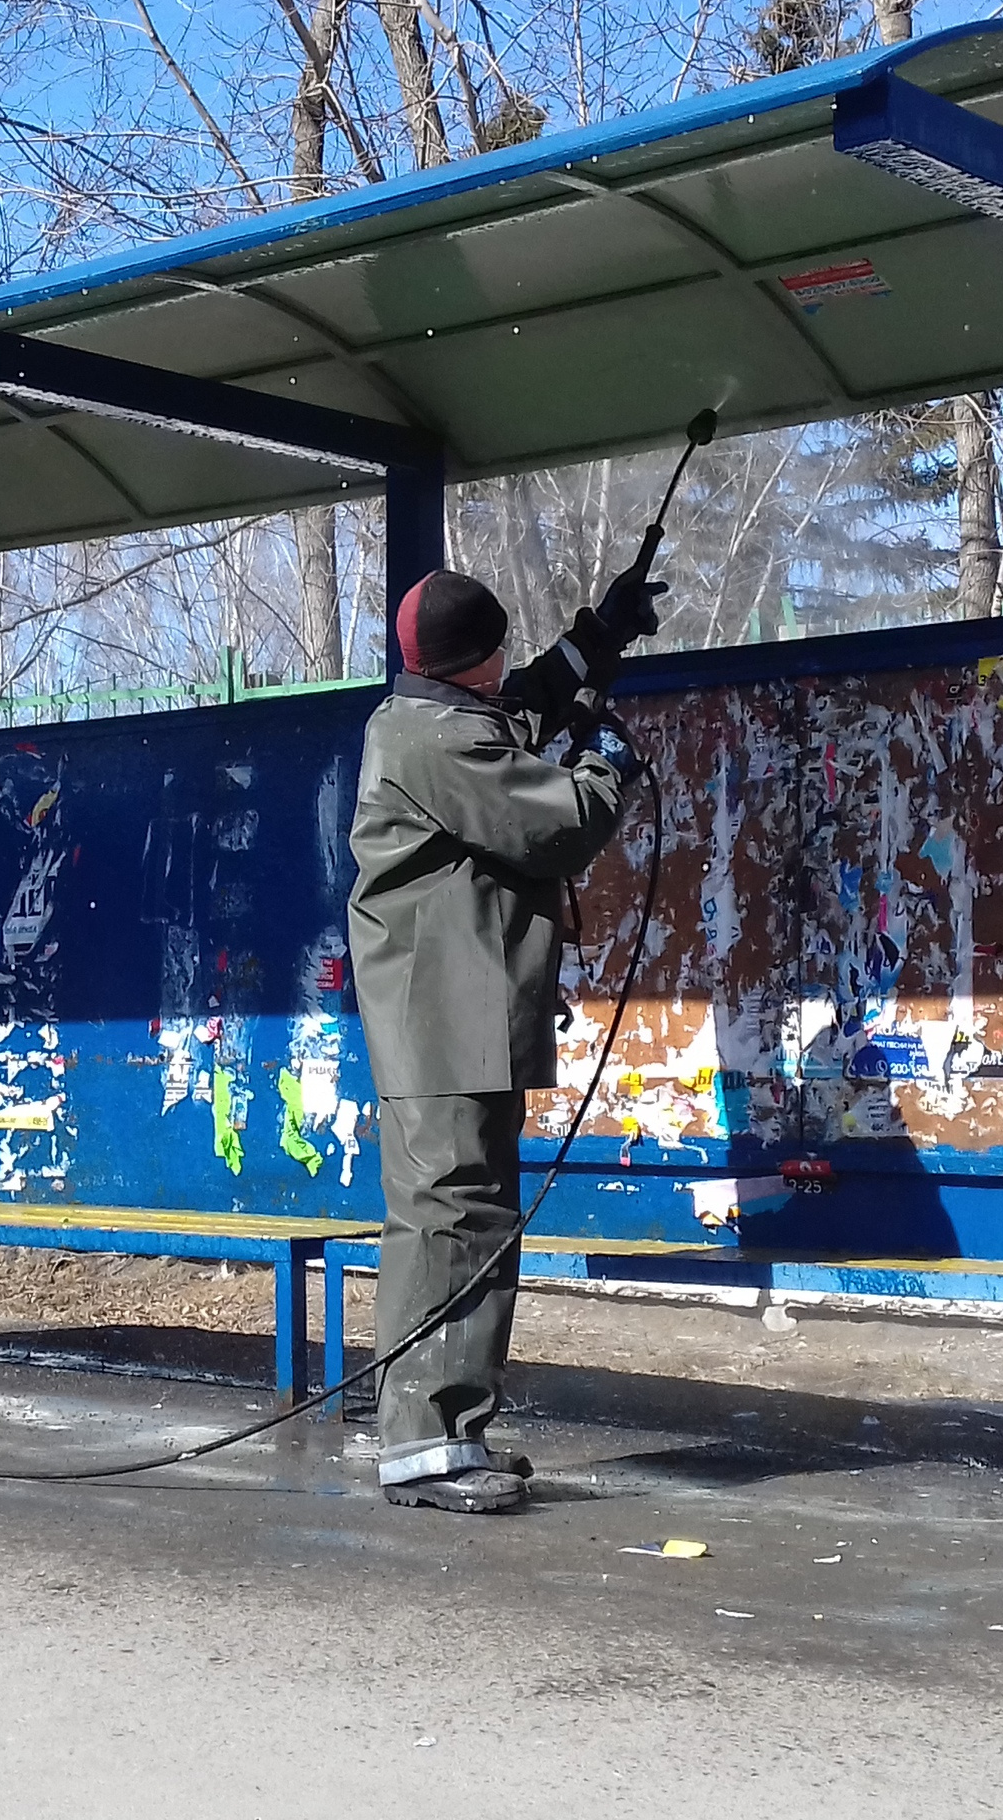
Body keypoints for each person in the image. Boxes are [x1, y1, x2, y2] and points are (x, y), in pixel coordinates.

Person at [346, 558, 661, 1513]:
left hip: (450, 1012)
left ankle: (444, 1431)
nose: (505, 669)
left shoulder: (426, 717)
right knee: (454, 1217)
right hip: (442, 1014)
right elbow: (556, 824)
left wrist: (594, 640)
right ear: (469, 664)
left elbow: (515, 710)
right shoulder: (435, 743)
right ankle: (427, 1443)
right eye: (497, 656)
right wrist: (608, 760)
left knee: (461, 1215)